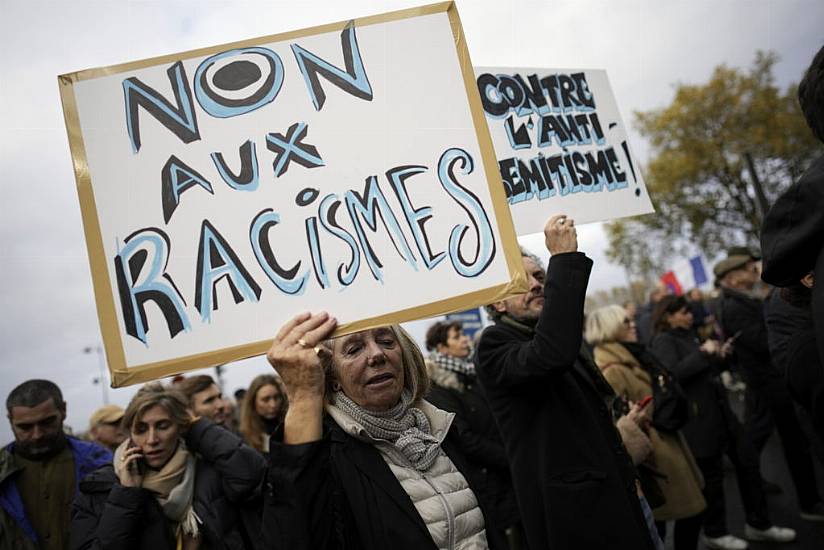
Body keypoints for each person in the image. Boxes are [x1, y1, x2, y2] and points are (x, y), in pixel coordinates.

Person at [475, 214, 660, 550]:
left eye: (540, 276)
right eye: (522, 280)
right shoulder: (493, 345)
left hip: (620, 497)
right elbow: (550, 355)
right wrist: (563, 259)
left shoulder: (556, 337)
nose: (536, 285)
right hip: (583, 523)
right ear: (497, 302)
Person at [262, 313, 490, 549]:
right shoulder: (331, 457)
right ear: (333, 378)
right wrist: (304, 397)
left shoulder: (440, 426)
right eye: (354, 349)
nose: (377, 354)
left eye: (386, 341)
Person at [649, 295, 796, 549]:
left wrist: (721, 355)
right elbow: (673, 375)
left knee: (748, 462)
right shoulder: (664, 340)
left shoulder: (690, 335)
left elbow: (706, 370)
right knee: (712, 479)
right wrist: (704, 354)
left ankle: (759, 523)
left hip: (721, 413)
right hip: (699, 420)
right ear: (668, 316)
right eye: (682, 312)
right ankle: (716, 532)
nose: (689, 315)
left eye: (688, 311)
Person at [71, 382, 266, 550]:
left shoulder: (210, 472)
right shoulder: (100, 489)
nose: (152, 439)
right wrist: (126, 495)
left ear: (181, 427)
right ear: (129, 433)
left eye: (163, 426)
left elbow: (252, 477)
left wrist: (197, 428)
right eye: (140, 429)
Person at [585, 304, 706, 550]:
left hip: (664, 443)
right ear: (610, 330)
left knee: (673, 515)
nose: (633, 327)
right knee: (670, 516)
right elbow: (616, 423)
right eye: (626, 324)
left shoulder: (632, 356)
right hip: (653, 455)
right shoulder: (613, 369)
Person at [715, 255, 824, 519]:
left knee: (762, 436)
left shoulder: (742, 299)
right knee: (793, 443)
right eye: (745, 268)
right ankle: (805, 502)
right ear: (731, 278)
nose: (753, 268)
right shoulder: (734, 306)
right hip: (768, 384)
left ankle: (760, 486)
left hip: (766, 382)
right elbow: (764, 342)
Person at [425, 321, 525, 550]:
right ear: (441, 347)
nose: (465, 339)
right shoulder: (439, 388)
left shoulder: (470, 376)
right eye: (457, 336)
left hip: (505, 478)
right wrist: (510, 458)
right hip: (488, 484)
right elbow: (466, 439)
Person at [1, 380, 111, 550]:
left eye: (47, 422)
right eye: (25, 427)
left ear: (63, 410)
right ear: (10, 420)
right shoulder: (3, 473)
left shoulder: (100, 462)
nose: (37, 435)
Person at [239, 374, 288, 453]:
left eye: (276, 397)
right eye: (265, 399)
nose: (273, 405)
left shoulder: (289, 426)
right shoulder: (243, 437)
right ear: (253, 402)